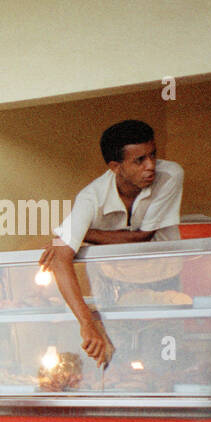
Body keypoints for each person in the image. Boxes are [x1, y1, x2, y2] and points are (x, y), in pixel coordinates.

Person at [39, 120, 184, 368]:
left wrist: (81, 235)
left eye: (153, 155)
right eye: (139, 160)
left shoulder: (171, 175)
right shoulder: (91, 197)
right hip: (113, 286)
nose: (151, 166)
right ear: (115, 166)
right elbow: (60, 260)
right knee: (118, 363)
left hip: (164, 282)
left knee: (163, 361)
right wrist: (86, 322)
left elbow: (143, 237)